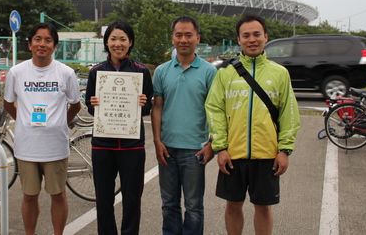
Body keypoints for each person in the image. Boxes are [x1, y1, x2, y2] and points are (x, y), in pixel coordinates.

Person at [205, 13, 300, 235]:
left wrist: (285, 149)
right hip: (233, 154)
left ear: (266, 36)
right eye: (246, 35)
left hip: (267, 155)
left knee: (263, 207)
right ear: (239, 40)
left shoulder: (280, 73)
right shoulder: (226, 74)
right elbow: (214, 109)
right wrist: (221, 147)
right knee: (232, 205)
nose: (252, 39)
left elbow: (289, 113)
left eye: (257, 34)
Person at [3, 22, 81, 235]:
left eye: (48, 40)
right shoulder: (16, 72)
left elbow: (76, 104)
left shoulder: (65, 73)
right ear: (29, 44)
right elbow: (8, 103)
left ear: (55, 46)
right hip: (27, 147)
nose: (42, 44)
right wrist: (23, 121)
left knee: (58, 194)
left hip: (55, 146)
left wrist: (60, 123)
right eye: (37, 39)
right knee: (29, 195)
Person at [85, 20, 154, 235]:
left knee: (133, 198)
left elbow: (149, 107)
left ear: (130, 42)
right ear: (106, 42)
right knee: (103, 198)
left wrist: (144, 102)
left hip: (132, 145)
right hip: (102, 145)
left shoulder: (141, 71)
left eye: (123, 39)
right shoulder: (97, 72)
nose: (118, 43)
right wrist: (94, 104)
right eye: (113, 39)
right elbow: (89, 105)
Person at [152, 15, 217, 235]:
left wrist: (212, 143)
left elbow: (216, 111)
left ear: (197, 38)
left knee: (194, 207)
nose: (183, 39)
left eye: (189, 35)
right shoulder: (161, 71)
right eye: (178, 35)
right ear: (172, 38)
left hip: (195, 149)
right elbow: (157, 107)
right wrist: (157, 141)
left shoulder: (209, 72)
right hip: (167, 148)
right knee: (169, 204)